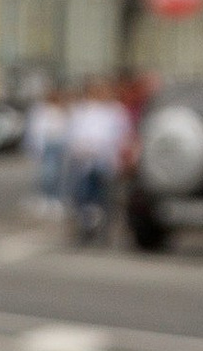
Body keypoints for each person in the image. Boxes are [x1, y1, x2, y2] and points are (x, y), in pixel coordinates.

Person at [62, 79, 132, 243]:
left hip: (105, 160)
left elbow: (123, 135)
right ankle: (85, 228)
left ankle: (104, 232)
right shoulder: (82, 110)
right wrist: (78, 148)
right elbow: (72, 133)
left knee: (106, 198)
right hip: (83, 160)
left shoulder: (115, 111)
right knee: (82, 196)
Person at [22, 88, 68, 219]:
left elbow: (66, 128)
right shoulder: (41, 110)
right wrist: (34, 147)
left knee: (56, 173)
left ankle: (55, 198)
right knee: (47, 173)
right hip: (47, 144)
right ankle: (45, 197)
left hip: (58, 144)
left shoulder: (62, 110)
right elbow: (35, 129)